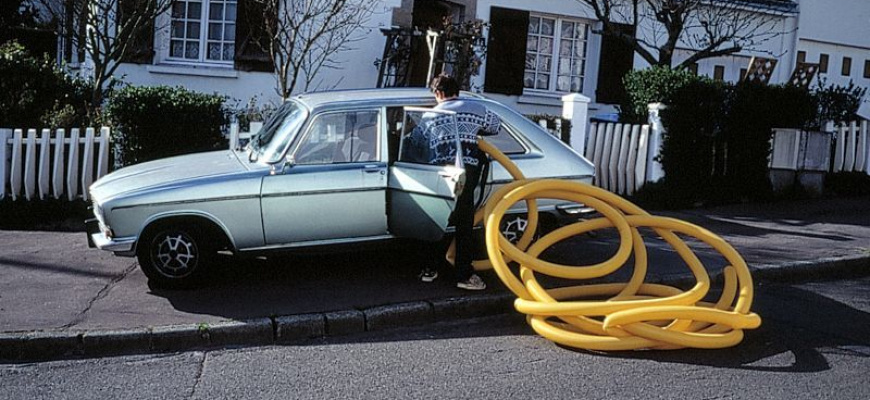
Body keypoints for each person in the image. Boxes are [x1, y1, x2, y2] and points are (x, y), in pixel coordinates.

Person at [416, 74, 501, 290]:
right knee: (464, 223)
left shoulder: (430, 116)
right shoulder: (476, 108)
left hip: (440, 172)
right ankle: (464, 276)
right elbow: (496, 126)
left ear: (437, 93)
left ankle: (429, 268)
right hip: (467, 170)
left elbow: (417, 141)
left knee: (437, 219)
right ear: (458, 90)